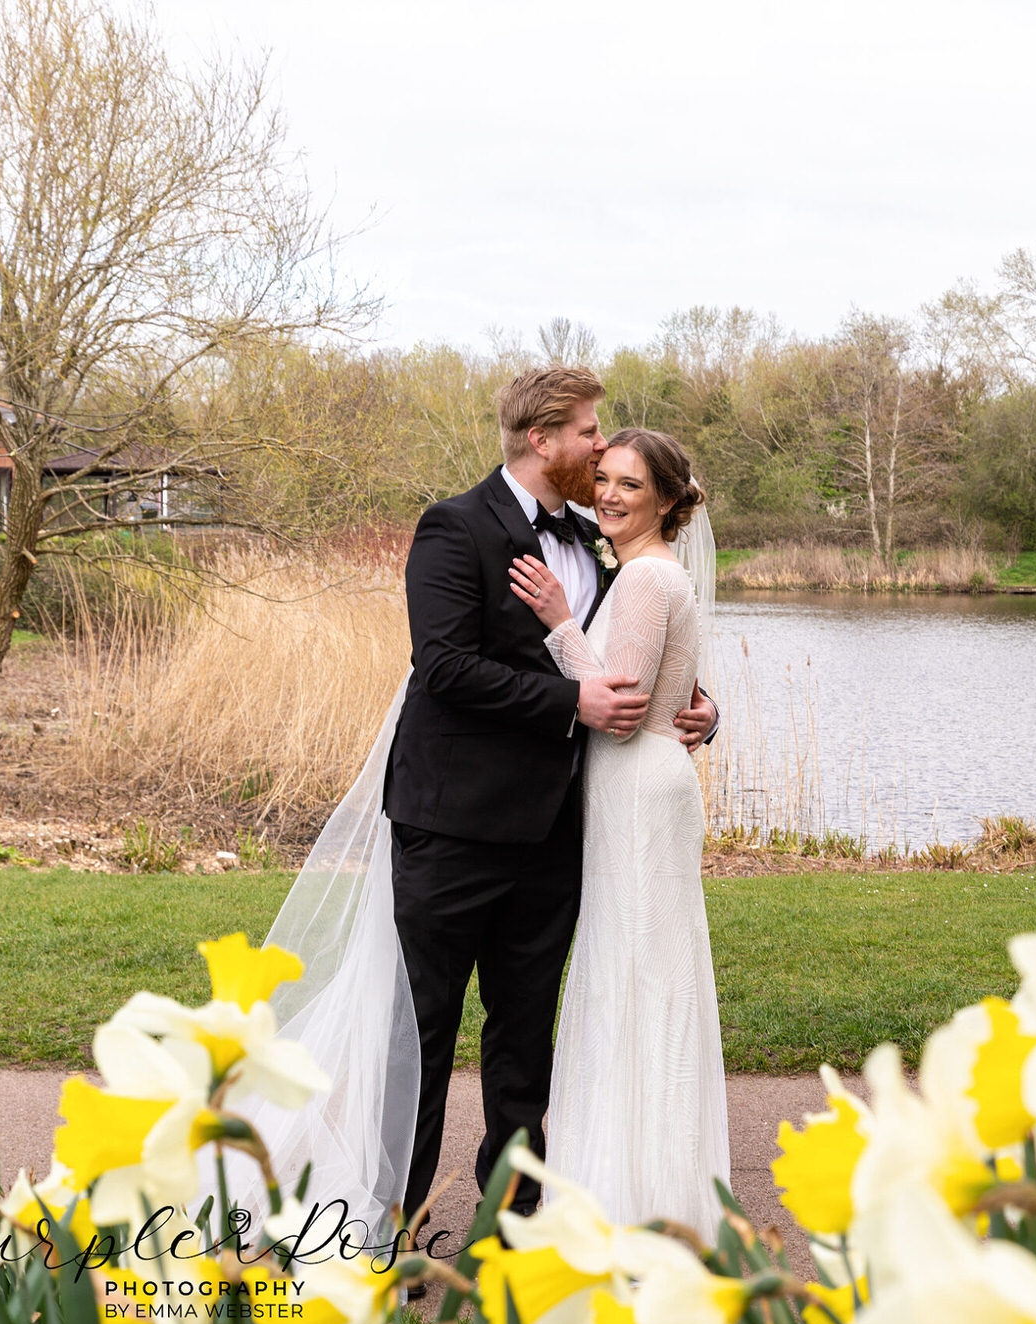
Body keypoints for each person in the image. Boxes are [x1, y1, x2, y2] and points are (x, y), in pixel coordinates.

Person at [243, 368, 720, 1253]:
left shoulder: (599, 540)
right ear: (542, 441)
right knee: (417, 1037)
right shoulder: (454, 528)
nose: (599, 448)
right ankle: (387, 1228)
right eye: (588, 433)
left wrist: (697, 712)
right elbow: (445, 666)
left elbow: (642, 661)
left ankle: (510, 1228)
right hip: (453, 827)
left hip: (557, 834)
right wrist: (570, 707)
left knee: (524, 1039)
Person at [506, 426, 730, 1235]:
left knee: (635, 973)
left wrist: (561, 622)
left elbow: (622, 709)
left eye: (629, 485)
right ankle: (659, 1181)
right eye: (603, 478)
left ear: (667, 501)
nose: (606, 493)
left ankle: (636, 1191)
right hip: (653, 785)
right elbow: (678, 691)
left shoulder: (640, 581)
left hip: (637, 788)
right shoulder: (659, 574)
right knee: (650, 971)